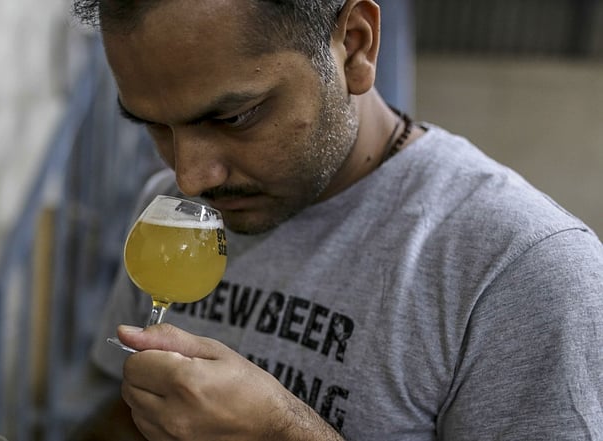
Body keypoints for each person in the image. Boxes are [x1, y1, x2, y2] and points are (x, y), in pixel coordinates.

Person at [69, 0, 603, 439]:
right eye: (155, 126)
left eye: (233, 117)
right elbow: (126, 419)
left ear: (354, 44)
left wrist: (285, 434)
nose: (190, 177)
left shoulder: (525, 268)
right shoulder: (173, 218)